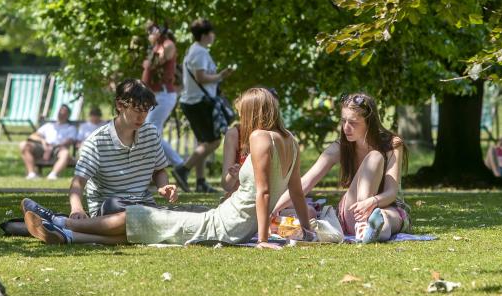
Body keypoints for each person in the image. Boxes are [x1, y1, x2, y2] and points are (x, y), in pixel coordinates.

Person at [23, 87, 315, 246]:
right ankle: (68, 235)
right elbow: (296, 191)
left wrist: (262, 239)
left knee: (139, 217)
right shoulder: (289, 140)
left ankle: (61, 222)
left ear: (254, 112)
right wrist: (306, 229)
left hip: (223, 225)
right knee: (145, 225)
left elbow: (264, 193)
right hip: (231, 225)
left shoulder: (261, 137)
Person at [23, 79, 178, 224]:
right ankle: (68, 224)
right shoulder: (97, 141)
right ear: (119, 105)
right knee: (125, 212)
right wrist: (77, 209)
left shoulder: (150, 133)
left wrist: (163, 187)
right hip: (110, 208)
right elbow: (78, 183)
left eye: (146, 109)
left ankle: (64, 227)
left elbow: (159, 171)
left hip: (143, 206)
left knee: (143, 220)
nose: (142, 116)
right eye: (136, 109)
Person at [273, 92, 410, 243]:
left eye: (353, 122)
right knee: (375, 157)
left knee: (389, 217)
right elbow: (306, 182)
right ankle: (365, 226)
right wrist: (271, 210)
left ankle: (370, 231)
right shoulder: (340, 147)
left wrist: (372, 202)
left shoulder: (392, 144)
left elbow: (391, 192)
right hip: (352, 212)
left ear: (369, 122)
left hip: (383, 205)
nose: (346, 128)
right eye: (343, 121)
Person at [174, 18, 234, 193]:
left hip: (192, 101)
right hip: (199, 101)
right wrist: (221, 75)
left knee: (202, 141)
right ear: (206, 35)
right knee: (213, 141)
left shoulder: (192, 50)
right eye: (211, 33)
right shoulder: (200, 52)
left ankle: (200, 182)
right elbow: (201, 77)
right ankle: (183, 169)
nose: (213, 36)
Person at [140, 23, 186, 175]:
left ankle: (179, 164)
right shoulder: (157, 47)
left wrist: (149, 60)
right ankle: (155, 171)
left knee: (149, 131)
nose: (149, 35)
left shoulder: (168, 45)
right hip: (155, 95)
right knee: (151, 133)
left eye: (150, 32)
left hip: (164, 94)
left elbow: (155, 63)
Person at [19, 104, 79, 180]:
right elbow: (32, 136)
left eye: (64, 112)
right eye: (60, 112)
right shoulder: (49, 125)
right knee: (23, 145)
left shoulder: (70, 128)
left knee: (65, 153)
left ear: (68, 115)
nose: (61, 114)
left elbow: (70, 140)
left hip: (59, 148)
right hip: (43, 147)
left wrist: (53, 147)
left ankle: (53, 175)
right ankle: (31, 174)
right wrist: (43, 142)